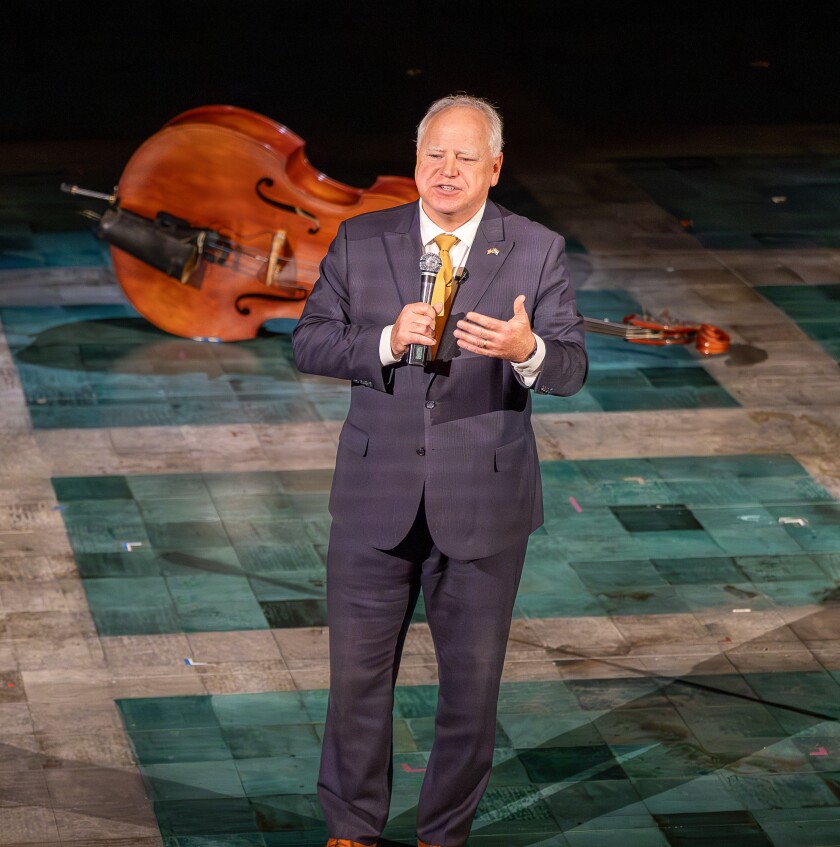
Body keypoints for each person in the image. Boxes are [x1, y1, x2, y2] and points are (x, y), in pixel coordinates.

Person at [292, 93, 588, 847]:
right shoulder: (363, 240)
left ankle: (441, 833)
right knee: (356, 683)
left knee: (470, 689)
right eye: (434, 155)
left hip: (482, 500)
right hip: (374, 495)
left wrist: (527, 350)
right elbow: (310, 343)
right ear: (416, 161)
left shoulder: (536, 249)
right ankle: (351, 827)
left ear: (494, 167)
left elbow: (572, 367)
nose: (446, 171)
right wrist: (386, 339)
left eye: (464, 157)